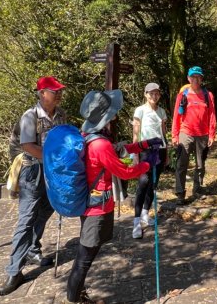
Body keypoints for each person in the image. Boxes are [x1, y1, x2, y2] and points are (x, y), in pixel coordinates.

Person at [65, 90, 152, 304]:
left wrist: (144, 144)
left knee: (86, 255)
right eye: (112, 112)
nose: (116, 114)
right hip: (97, 208)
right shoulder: (100, 144)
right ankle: (74, 299)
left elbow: (117, 151)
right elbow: (123, 171)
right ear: (105, 115)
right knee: (85, 257)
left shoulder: (89, 136)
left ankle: (76, 295)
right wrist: (147, 165)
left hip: (90, 203)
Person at [0, 76, 67, 296]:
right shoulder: (30, 116)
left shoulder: (61, 115)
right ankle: (14, 270)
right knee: (26, 219)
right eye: (55, 91)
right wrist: (53, 160)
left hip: (52, 170)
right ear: (42, 93)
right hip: (32, 171)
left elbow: (64, 139)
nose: (59, 94)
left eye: (59, 91)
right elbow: (28, 146)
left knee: (49, 207)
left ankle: (33, 249)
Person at [172, 66, 216, 205]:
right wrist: (175, 135)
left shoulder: (208, 95)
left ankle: (197, 190)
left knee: (200, 165)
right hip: (185, 133)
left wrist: (212, 135)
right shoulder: (182, 95)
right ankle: (180, 194)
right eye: (193, 77)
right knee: (181, 164)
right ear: (188, 78)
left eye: (198, 77)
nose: (196, 79)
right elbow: (176, 117)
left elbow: (212, 115)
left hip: (202, 135)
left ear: (202, 78)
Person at [131, 82, 168, 239]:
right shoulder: (140, 110)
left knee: (153, 182)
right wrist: (135, 153)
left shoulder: (162, 112)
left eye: (157, 93)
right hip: (145, 149)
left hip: (160, 149)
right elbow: (136, 132)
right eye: (151, 93)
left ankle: (146, 213)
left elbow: (164, 132)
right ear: (145, 94)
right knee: (143, 182)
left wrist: (167, 154)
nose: (154, 96)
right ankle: (136, 221)